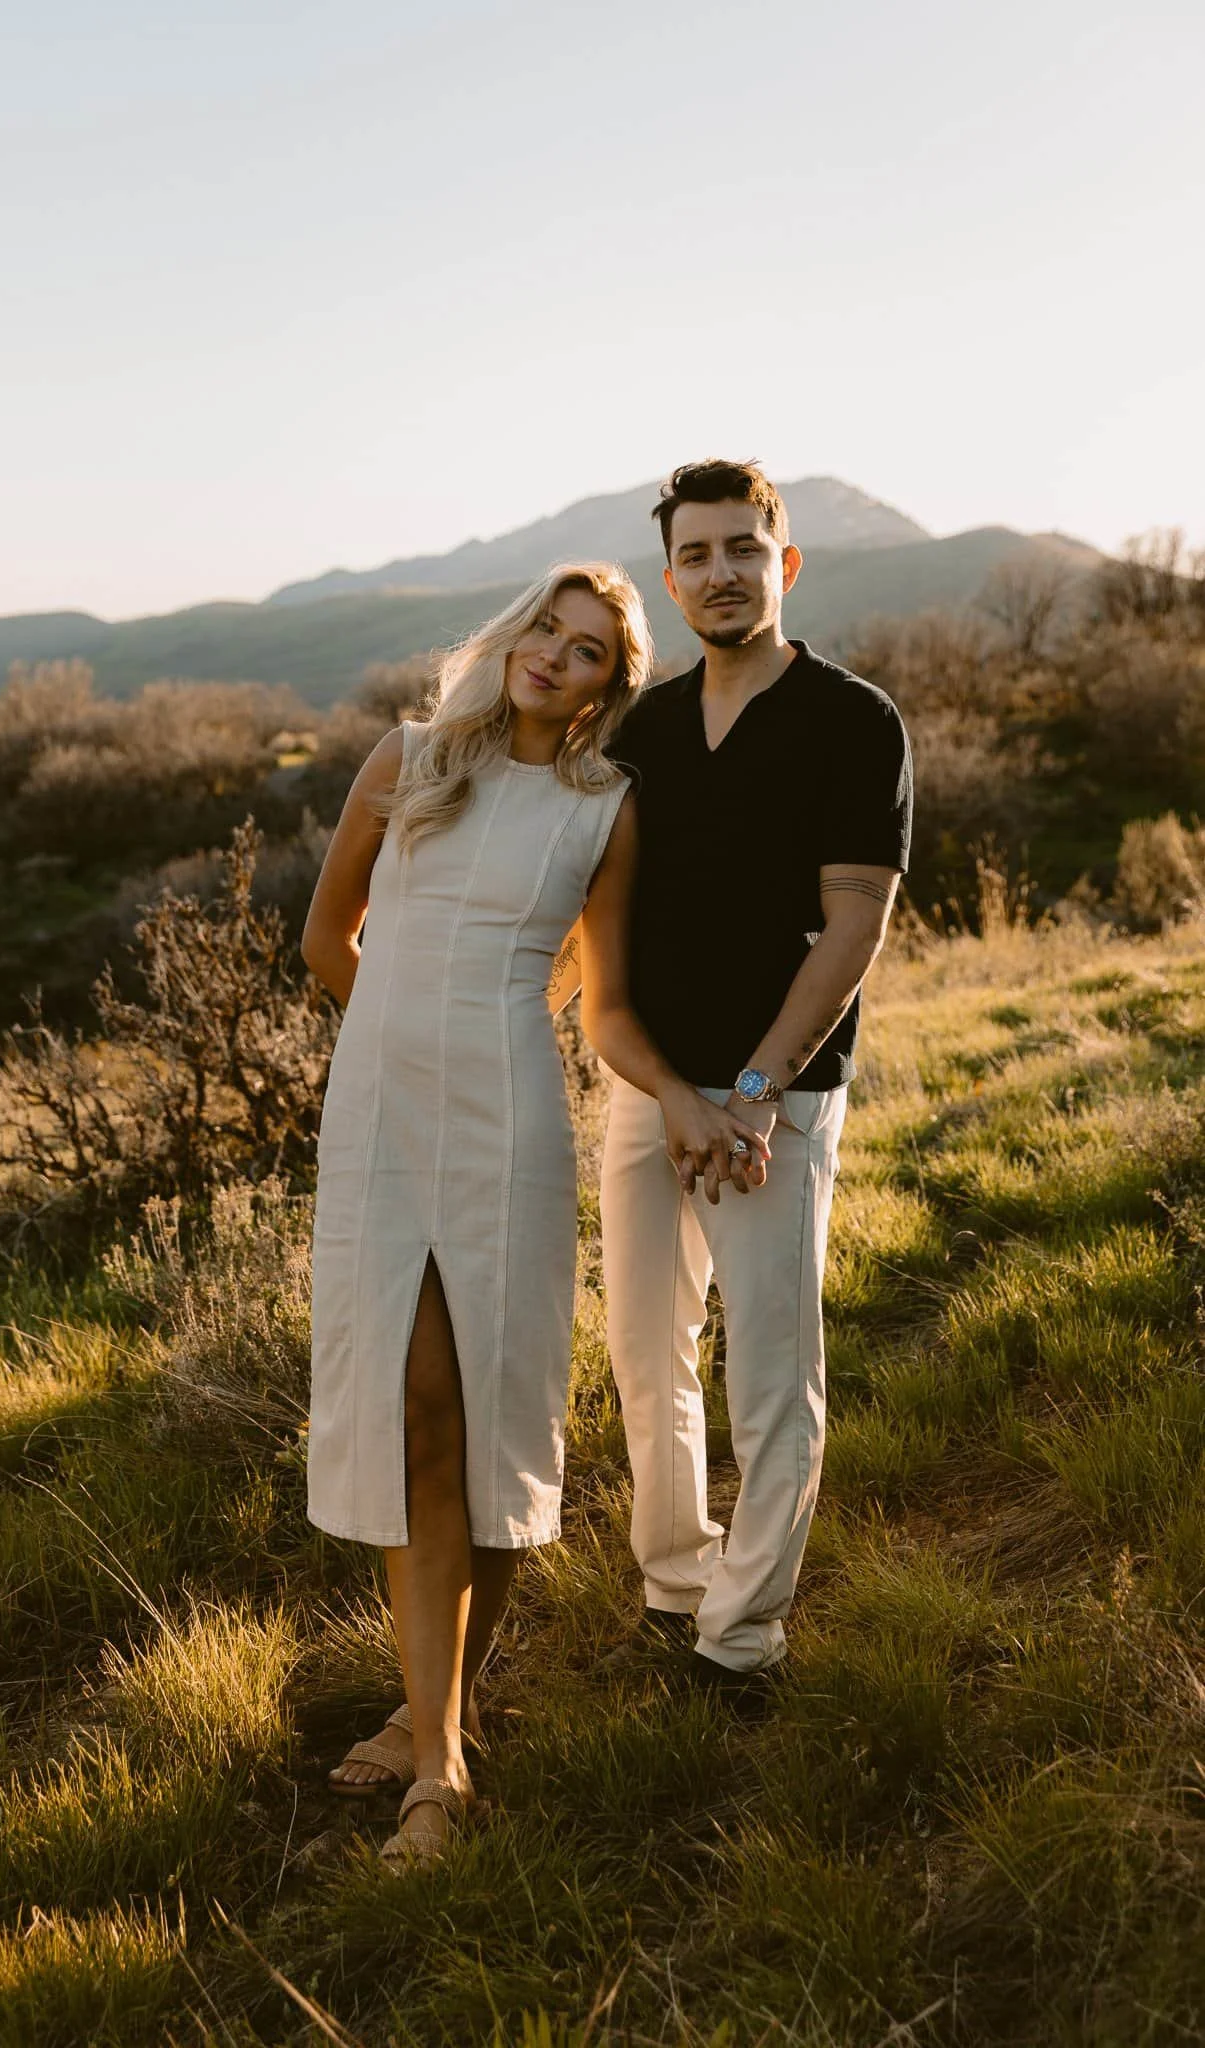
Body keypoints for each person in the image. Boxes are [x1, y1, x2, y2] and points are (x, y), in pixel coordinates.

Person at [300, 561, 759, 1859]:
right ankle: (437, 1735)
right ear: (511, 638)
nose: (556, 658)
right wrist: (403, 1041)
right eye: (546, 633)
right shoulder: (405, 760)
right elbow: (329, 940)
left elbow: (601, 1006)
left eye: (590, 652)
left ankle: (432, 1750)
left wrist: (674, 1093)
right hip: (384, 1123)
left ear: (611, 687)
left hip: (509, 1128)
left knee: (484, 1417)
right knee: (408, 1413)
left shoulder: (602, 809)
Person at [601, 459, 914, 1691]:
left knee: (771, 1372)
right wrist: (672, 1090)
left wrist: (750, 1088)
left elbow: (854, 927)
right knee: (644, 1352)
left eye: (743, 549)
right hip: (648, 1089)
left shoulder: (853, 719)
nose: (719, 573)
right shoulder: (647, 730)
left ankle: (742, 1639)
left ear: (783, 565)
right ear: (670, 579)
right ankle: (676, 1584)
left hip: (774, 1096)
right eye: (696, 555)